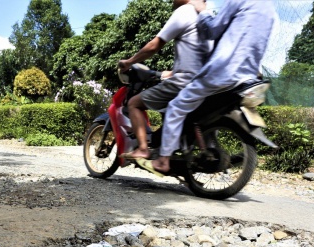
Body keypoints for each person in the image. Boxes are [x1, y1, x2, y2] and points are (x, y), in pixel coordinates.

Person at [152, 0, 276, 173]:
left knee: (176, 107)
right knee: (207, 110)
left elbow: (212, 30)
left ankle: (163, 160)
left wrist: (202, 11)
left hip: (224, 71)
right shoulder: (269, 10)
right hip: (248, 76)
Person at [117, 0, 210, 161]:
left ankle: (143, 149)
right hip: (204, 82)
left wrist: (129, 62)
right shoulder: (206, 17)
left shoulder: (185, 12)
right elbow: (196, 55)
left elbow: (154, 45)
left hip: (184, 83)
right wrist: (173, 72)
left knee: (134, 103)